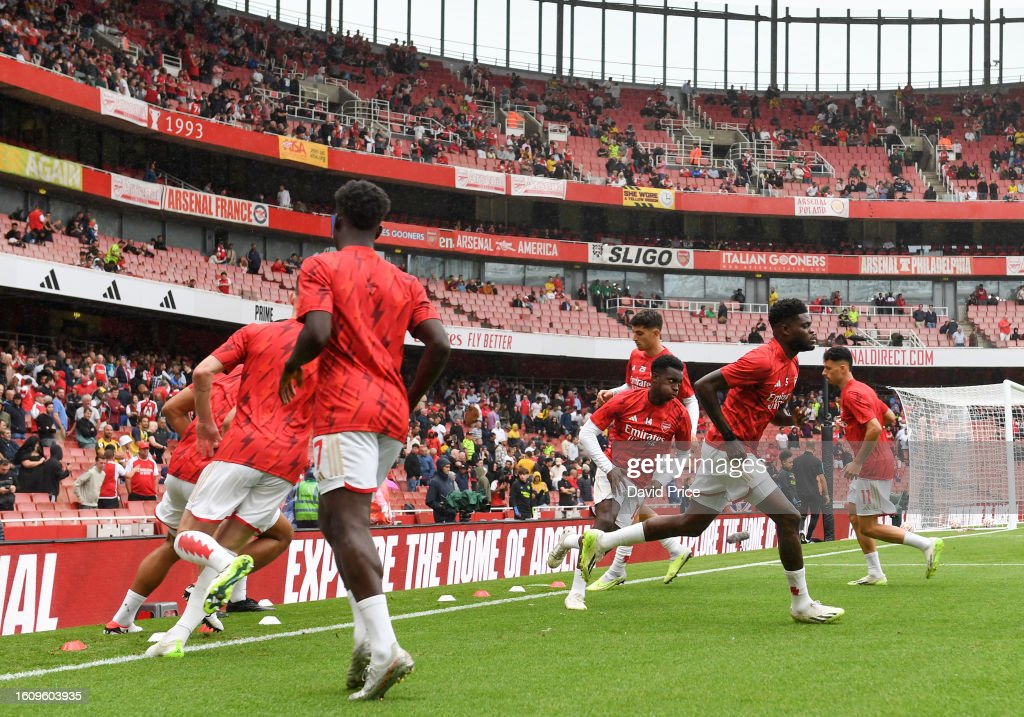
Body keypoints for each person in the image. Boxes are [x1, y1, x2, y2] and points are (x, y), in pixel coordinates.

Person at [277, 180, 450, 701]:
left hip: (341, 409)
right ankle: (362, 637)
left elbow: (318, 333)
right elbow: (439, 342)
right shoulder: (404, 279)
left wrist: (290, 365)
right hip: (390, 415)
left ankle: (387, 645)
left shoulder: (321, 266)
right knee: (337, 522)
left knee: (347, 524)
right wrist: (411, 396)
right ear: (380, 228)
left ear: (336, 220)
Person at [579, 299, 843, 624]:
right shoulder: (762, 359)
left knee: (692, 524)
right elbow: (705, 386)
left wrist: (791, 418)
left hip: (725, 451)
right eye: (805, 325)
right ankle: (801, 603)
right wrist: (731, 438)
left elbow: (769, 410)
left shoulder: (791, 367)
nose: (811, 331)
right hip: (730, 451)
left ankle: (603, 541)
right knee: (788, 518)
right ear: (785, 329)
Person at [145, 309, 319, 658]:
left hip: (244, 449)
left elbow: (203, 374)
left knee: (186, 540)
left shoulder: (257, 333)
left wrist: (207, 424)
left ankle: (226, 564)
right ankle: (178, 634)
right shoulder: (332, 353)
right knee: (228, 548)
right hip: (288, 462)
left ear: (296, 301)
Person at [106, 368, 286, 636]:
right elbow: (231, 424)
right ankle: (204, 600)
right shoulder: (269, 382)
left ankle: (121, 620)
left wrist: (199, 440)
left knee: (172, 545)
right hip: (216, 474)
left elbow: (170, 408)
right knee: (280, 534)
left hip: (181, 469)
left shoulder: (219, 379)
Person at [548, 355, 692, 611]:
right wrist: (609, 468)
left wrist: (661, 478)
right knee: (603, 521)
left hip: (640, 482)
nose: (676, 388)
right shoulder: (625, 400)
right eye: (671, 381)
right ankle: (576, 595)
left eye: (679, 383)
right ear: (654, 378)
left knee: (604, 542)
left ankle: (568, 540)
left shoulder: (679, 414)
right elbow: (587, 433)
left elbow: (683, 453)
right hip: (612, 472)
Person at [591, 309, 699, 589]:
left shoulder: (671, 365)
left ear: (656, 333)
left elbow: (690, 400)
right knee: (635, 504)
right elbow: (631, 386)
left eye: (639, 333)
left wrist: (691, 431)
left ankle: (617, 569)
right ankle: (676, 549)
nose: (634, 337)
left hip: (654, 440)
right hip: (630, 437)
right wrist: (612, 393)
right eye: (633, 331)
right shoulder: (635, 357)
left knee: (629, 507)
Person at [821, 347, 943, 585]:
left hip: (872, 464)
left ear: (842, 368)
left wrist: (857, 462)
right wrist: (849, 422)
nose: (824, 373)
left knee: (869, 527)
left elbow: (876, 427)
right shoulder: (863, 389)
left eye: (828, 368)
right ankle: (875, 572)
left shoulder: (852, 393)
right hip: (874, 461)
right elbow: (889, 417)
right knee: (855, 518)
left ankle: (926, 543)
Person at [793, 444, 831, 542]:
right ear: (814, 449)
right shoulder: (817, 461)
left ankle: (801, 531)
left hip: (800, 493)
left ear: (806, 448)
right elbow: (822, 479)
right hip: (814, 493)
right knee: (815, 515)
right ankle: (808, 537)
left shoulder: (796, 461)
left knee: (802, 515)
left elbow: (793, 476)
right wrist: (826, 494)